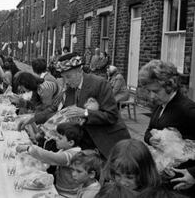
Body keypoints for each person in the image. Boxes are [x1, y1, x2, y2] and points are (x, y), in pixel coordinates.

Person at [22, 52, 130, 159]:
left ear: (79, 71)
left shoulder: (99, 84)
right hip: (85, 140)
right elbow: (54, 109)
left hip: (106, 140)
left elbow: (111, 115)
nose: (66, 82)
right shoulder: (69, 89)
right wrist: (33, 118)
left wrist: (85, 113)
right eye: (64, 78)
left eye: (68, 77)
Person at [139, 60, 195, 195]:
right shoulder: (160, 105)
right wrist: (150, 139)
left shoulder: (187, 109)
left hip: (183, 186)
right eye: (149, 91)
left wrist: (193, 174)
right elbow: (149, 131)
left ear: (170, 84)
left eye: (156, 91)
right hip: (164, 180)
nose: (151, 96)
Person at [16, 122, 83, 197]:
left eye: (60, 138)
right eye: (56, 136)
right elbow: (48, 160)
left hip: (68, 195)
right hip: (59, 190)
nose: (56, 139)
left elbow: (52, 158)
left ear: (71, 142)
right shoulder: (65, 150)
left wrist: (29, 148)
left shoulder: (72, 155)